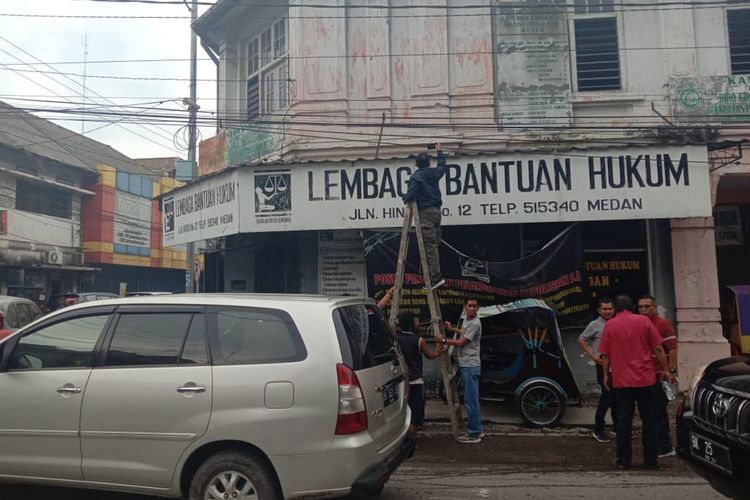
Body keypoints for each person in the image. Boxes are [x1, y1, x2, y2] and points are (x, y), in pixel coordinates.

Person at [599, 295, 673, 470]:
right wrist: (665, 369)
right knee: (650, 420)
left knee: (624, 421)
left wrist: (605, 375)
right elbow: (658, 348)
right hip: (645, 378)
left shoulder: (610, 325)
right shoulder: (644, 322)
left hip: (622, 380)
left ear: (616, 308)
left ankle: (624, 460)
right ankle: (651, 461)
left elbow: (606, 355)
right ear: (632, 307)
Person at [637, 295, 679, 458]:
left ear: (655, 307)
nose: (643, 310)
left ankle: (665, 446)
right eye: (640, 307)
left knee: (659, 412)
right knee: (651, 412)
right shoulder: (640, 324)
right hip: (646, 374)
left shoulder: (662, 325)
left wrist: (671, 370)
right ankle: (658, 445)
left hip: (660, 375)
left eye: (646, 307)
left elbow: (673, 349)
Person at [402, 144, 448, 290]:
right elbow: (442, 167)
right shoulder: (434, 173)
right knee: (435, 243)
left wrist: (404, 197)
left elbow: (411, 195)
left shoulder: (416, 177)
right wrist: (439, 151)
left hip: (426, 213)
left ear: (416, 164)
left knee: (430, 247)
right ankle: (432, 275)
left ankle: (435, 278)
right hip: (437, 212)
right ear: (428, 163)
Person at [439, 296, 483, 443]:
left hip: (470, 365)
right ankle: (477, 429)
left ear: (478, 308)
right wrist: (452, 329)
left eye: (474, 306)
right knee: (471, 399)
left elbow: (461, 342)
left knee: (471, 401)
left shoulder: (476, 323)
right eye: (469, 306)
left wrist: (444, 340)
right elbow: (463, 331)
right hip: (466, 364)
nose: (472, 308)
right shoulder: (467, 319)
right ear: (465, 307)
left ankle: (474, 434)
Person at [396, 311, 443, 435]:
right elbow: (430, 355)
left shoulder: (394, 338)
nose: (418, 323)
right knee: (415, 414)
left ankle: (403, 439)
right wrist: (439, 346)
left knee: (401, 411)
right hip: (415, 380)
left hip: (400, 380)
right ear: (411, 323)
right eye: (416, 321)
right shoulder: (419, 340)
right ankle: (411, 440)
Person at [577, 297, 617, 442]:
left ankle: (618, 428)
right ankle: (598, 429)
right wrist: (593, 356)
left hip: (617, 367)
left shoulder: (616, 322)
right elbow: (581, 339)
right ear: (599, 310)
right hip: (603, 367)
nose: (607, 311)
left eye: (610, 309)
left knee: (617, 398)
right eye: (604, 309)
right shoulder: (594, 325)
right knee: (606, 398)